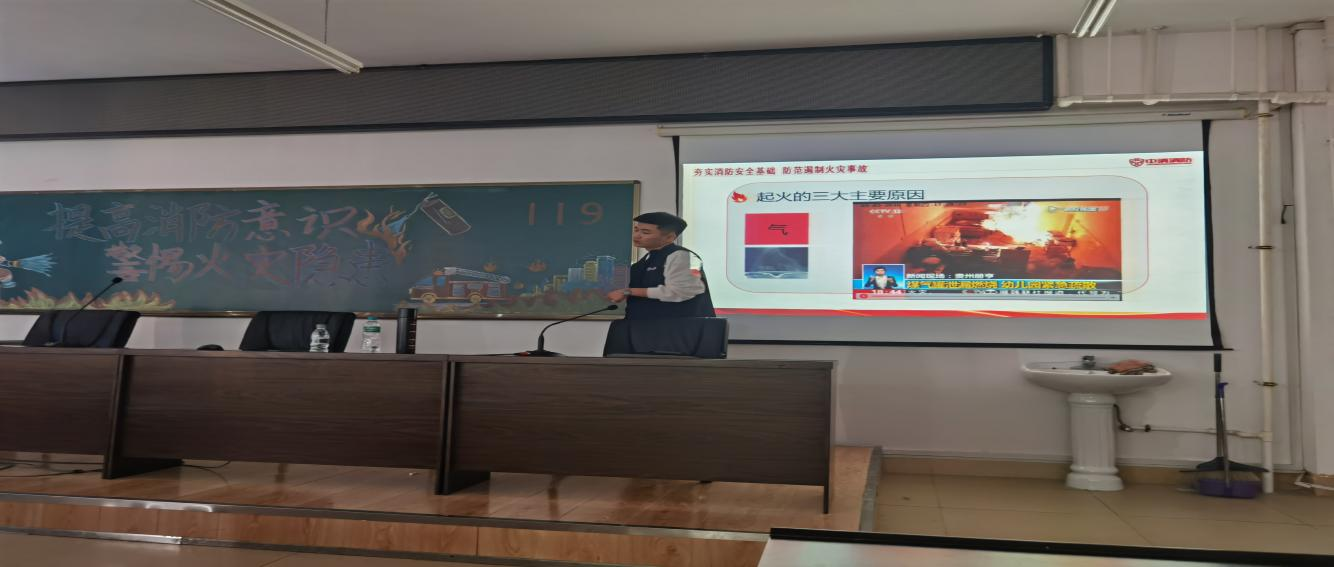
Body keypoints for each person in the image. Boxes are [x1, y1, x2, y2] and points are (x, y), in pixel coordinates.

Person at [606, 212, 715, 319]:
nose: (637, 235)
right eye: (636, 230)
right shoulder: (641, 263)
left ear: (669, 237)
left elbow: (679, 291)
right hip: (643, 326)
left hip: (679, 327)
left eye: (645, 232)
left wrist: (628, 291)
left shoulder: (682, 256)